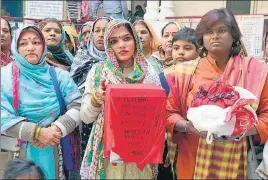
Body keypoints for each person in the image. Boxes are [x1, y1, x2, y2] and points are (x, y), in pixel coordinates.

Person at [164, 8, 268, 179]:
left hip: (235, 162)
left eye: (221, 30)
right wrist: (190, 127)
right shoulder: (185, 72)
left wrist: (242, 129)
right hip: (192, 161)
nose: (215, 36)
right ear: (202, 39)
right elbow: (169, 113)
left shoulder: (255, 70)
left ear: (233, 35)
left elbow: (266, 115)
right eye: (209, 32)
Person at [80, 19, 161, 179]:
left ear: (135, 40)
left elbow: (158, 116)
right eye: (114, 41)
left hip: (139, 151)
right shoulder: (98, 72)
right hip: (107, 152)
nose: (121, 45)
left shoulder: (149, 73)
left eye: (126, 38)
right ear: (108, 45)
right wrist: (96, 100)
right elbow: (85, 117)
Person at [1, 26, 82, 179]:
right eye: (23, 43)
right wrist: (37, 133)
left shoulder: (59, 75)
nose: (30, 48)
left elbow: (77, 106)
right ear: (16, 48)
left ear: (44, 46)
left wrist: (54, 130)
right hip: (16, 151)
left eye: (36, 42)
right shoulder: (4, 76)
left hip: (53, 147)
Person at [70, 17, 111, 163]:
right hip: (86, 117)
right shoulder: (81, 58)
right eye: (97, 31)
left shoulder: (120, 63)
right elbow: (72, 89)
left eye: (105, 30)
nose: (100, 34)